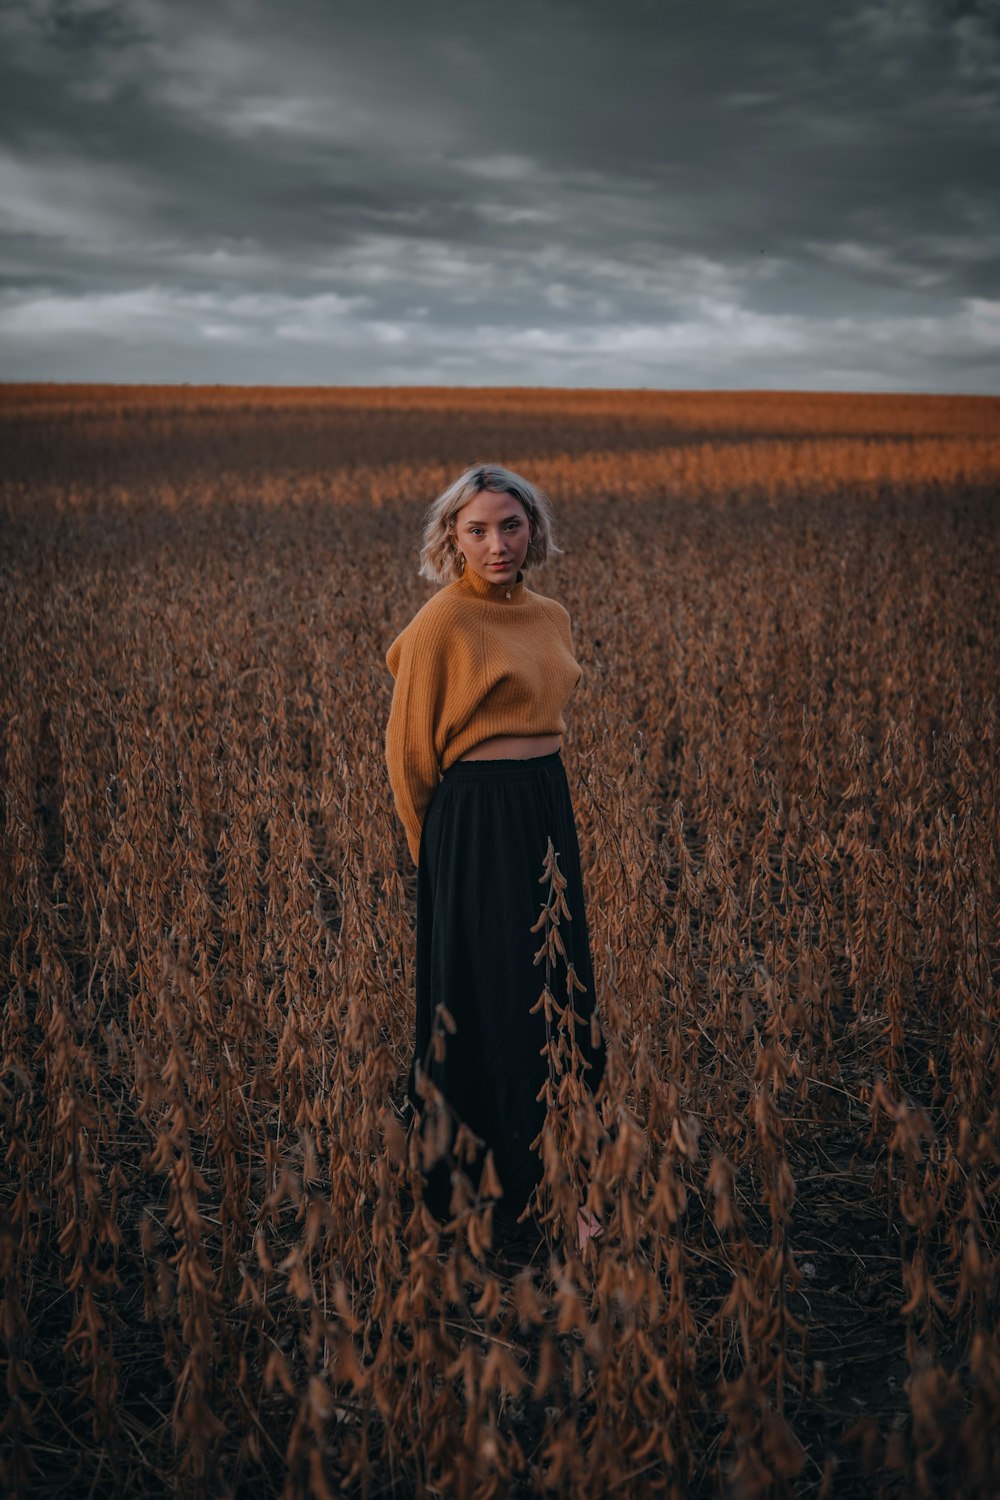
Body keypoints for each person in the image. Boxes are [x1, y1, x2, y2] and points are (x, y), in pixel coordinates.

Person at [384, 463, 606, 1249]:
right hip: (475, 822)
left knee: (559, 986)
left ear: (534, 530)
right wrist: (440, 865)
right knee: (499, 1000)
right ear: (453, 538)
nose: (496, 543)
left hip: (545, 805)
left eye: (510, 525)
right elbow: (409, 758)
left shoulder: (552, 615)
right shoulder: (441, 622)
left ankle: (570, 1176)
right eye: (476, 529)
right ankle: (508, 1198)